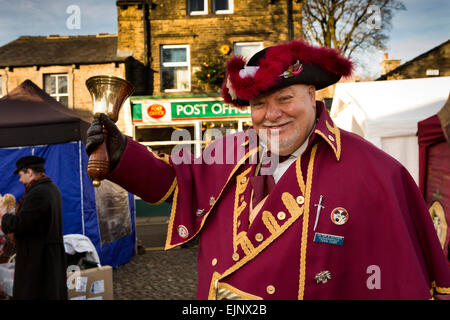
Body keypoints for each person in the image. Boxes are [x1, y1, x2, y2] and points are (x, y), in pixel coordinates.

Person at [86, 39, 450, 299]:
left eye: (285, 98)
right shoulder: (227, 149)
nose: (271, 115)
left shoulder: (377, 172)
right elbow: (174, 185)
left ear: (313, 94)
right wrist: (122, 154)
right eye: (259, 103)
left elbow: (399, 279)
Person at [0, 156, 67, 300]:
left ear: (29, 172)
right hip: (45, 257)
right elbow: (34, 220)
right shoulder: (52, 189)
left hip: (39, 261)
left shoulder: (39, 192)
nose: (19, 180)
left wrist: (4, 215)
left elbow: (20, 224)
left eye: (21, 175)